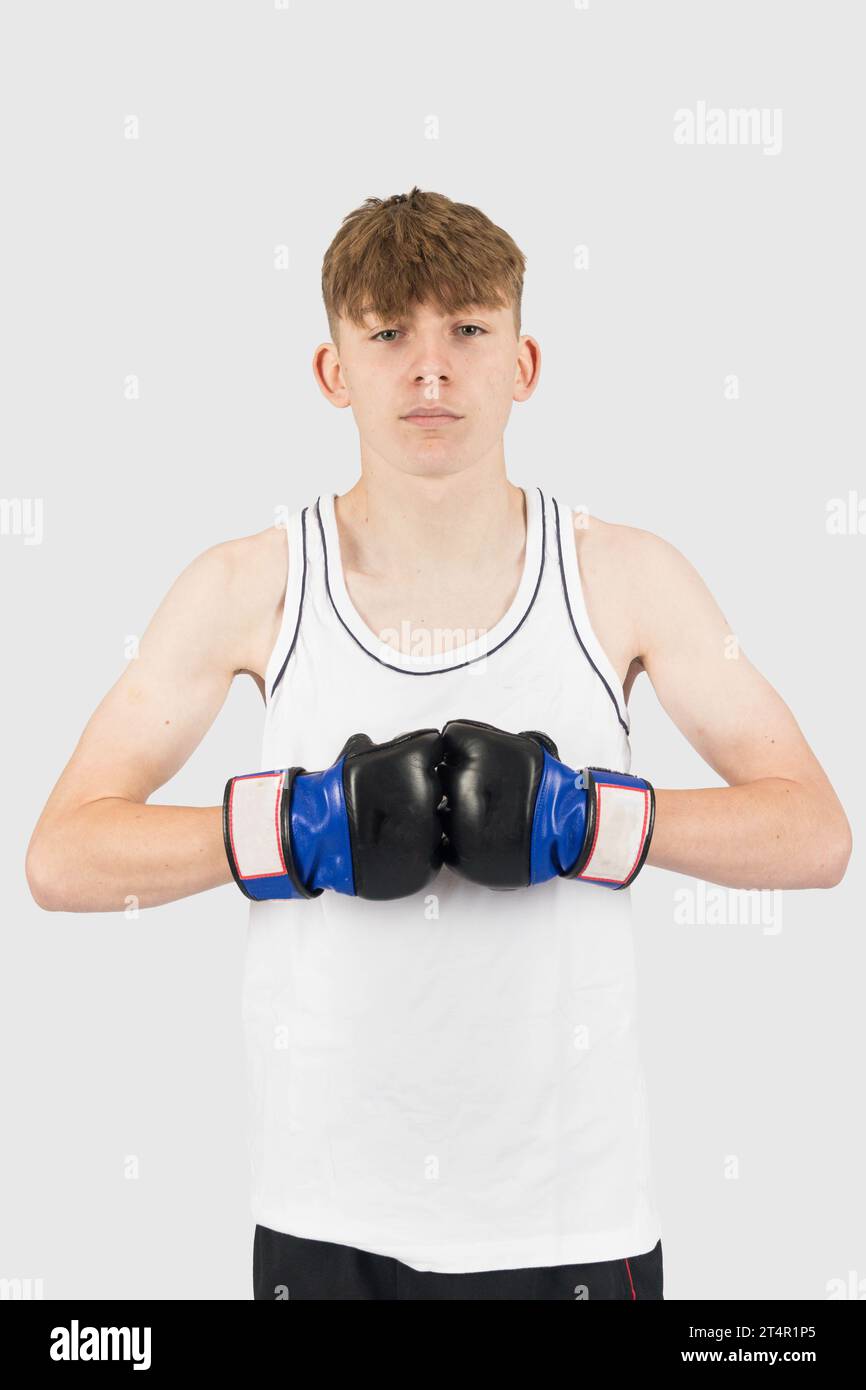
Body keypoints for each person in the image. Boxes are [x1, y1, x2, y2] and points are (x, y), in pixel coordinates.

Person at [26, 187, 852, 1301]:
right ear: (333, 370)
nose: (429, 370)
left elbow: (812, 832)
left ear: (524, 362)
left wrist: (591, 817)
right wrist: (291, 829)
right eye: (387, 333)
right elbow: (63, 855)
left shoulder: (622, 574)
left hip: (570, 1214)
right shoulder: (248, 585)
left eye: (466, 329)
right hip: (323, 1212)